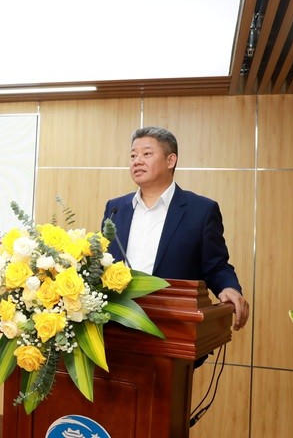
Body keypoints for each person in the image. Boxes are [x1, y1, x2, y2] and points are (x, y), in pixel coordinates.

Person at [102, 126, 249, 331]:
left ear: (170, 160)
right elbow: (103, 261)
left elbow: (216, 265)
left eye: (147, 154)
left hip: (175, 324)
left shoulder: (201, 210)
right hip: (117, 324)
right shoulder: (115, 208)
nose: (137, 161)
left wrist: (229, 287)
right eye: (133, 155)